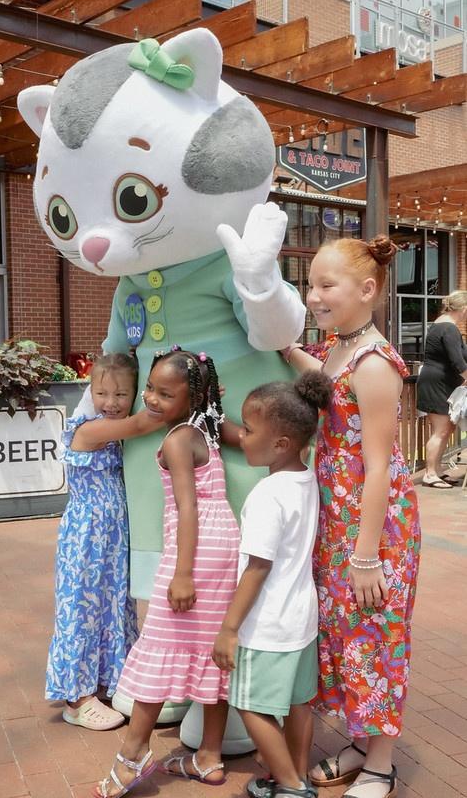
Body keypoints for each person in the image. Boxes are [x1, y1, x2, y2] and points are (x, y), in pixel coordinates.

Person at [281, 235, 421, 798]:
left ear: (367, 290)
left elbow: (381, 467)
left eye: (325, 285)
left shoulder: (375, 363)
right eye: (310, 284)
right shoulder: (341, 344)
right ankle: (363, 742)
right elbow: (317, 371)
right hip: (338, 516)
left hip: (373, 526)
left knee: (376, 633)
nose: (313, 296)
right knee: (347, 632)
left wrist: (366, 555)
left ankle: (381, 763)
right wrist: (282, 344)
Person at [94, 348, 240, 798]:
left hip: (194, 551)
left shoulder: (178, 438)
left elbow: (187, 505)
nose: (150, 398)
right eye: (150, 388)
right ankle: (209, 756)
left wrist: (182, 574)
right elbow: (250, 435)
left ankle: (134, 752)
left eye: (164, 393)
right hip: (225, 545)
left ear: (190, 397)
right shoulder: (208, 428)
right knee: (210, 651)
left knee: (159, 645)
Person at [212, 372, 333, 798]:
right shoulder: (307, 480)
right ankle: (296, 776)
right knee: (299, 703)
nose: (240, 436)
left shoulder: (267, 494)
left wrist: (229, 629)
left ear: (280, 443)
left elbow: (257, 568)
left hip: (268, 625)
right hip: (302, 619)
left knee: (248, 704)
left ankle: (288, 787)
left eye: (247, 429)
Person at [46, 353, 163, 730]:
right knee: (80, 609)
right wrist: (191, 395)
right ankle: (76, 700)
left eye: (120, 394)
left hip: (111, 538)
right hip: (86, 537)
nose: (110, 402)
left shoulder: (111, 427)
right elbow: (147, 422)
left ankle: (107, 683)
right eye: (101, 393)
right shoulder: (89, 429)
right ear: (89, 391)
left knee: (112, 608)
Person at [416, 290, 467, 489]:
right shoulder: (448, 328)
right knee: (441, 430)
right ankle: (429, 473)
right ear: (463, 309)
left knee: (446, 429)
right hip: (437, 383)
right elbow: (457, 361)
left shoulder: (441, 325)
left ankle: (436, 470)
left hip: (438, 382)